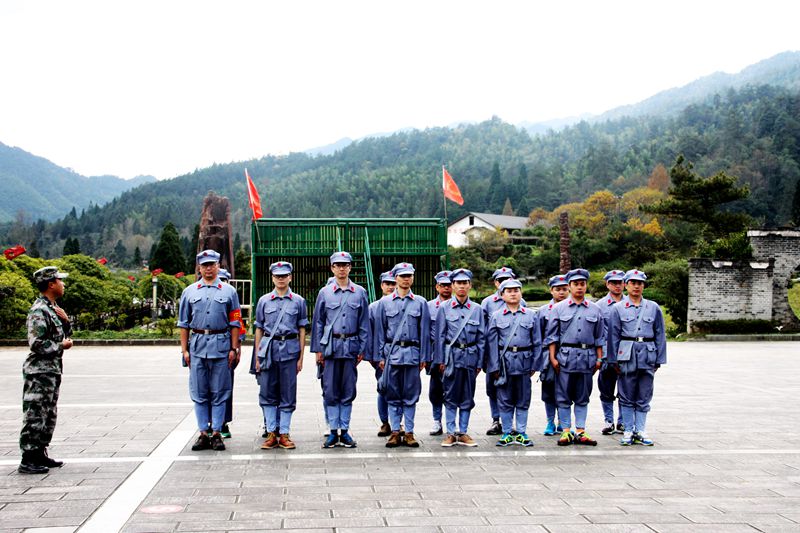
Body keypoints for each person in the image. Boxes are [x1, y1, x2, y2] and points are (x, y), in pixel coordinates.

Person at [178, 250, 241, 452]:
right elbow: (183, 323)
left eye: (212, 264)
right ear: (199, 267)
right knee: (199, 392)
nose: (208, 268)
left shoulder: (229, 292)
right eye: (204, 265)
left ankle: (217, 433)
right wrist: (184, 350)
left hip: (221, 346)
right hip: (197, 347)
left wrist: (234, 348)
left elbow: (235, 322)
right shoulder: (189, 292)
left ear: (218, 265)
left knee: (220, 392)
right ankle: (203, 432)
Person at [311, 251, 370, 449]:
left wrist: (362, 347)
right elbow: (318, 322)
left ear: (350, 267)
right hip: (331, 348)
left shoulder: (360, 292)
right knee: (330, 390)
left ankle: (344, 431)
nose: (342, 268)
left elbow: (364, 322)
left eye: (345, 265)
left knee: (348, 390)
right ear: (332, 268)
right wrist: (318, 348)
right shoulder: (324, 293)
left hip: (351, 347)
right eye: (338, 265)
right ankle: (332, 431)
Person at [18, 266, 72, 474]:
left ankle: (40, 452)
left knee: (48, 413)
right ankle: (28, 458)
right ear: (51, 284)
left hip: (51, 371)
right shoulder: (39, 310)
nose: (63, 284)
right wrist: (61, 346)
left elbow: (61, 334)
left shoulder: (53, 308)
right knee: (35, 413)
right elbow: (36, 343)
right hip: (39, 372)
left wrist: (66, 322)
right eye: (60, 280)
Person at [373, 262, 431, 448]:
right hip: (392, 354)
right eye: (402, 276)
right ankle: (395, 431)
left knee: (411, 394)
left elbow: (425, 332)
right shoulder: (384, 303)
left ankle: (410, 432)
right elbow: (380, 332)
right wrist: (380, 357)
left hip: (413, 354)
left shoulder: (421, 302)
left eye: (409, 275)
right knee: (392, 394)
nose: (406, 279)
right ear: (395, 278)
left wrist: (424, 357)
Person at [607, 269, 667, 446]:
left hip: (647, 353)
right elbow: (613, 336)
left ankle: (640, 430)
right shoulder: (617, 308)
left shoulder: (653, 307)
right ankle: (627, 430)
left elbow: (660, 334)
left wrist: (659, 359)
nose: (636, 286)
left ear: (643, 286)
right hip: (626, 354)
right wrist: (613, 360)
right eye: (633, 283)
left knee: (645, 393)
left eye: (639, 283)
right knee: (626, 393)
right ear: (626, 285)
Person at [545, 268, 604, 447]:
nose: (579, 287)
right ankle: (565, 431)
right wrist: (553, 358)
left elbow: (600, 337)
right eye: (575, 284)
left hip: (587, 357)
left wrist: (600, 359)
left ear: (586, 286)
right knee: (563, 396)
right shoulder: (558, 308)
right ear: (569, 286)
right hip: (565, 357)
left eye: (582, 284)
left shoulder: (595, 309)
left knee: (582, 395)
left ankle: (580, 430)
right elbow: (552, 336)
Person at [254, 262, 308, 450]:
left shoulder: (299, 301)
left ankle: (284, 433)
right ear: (272, 278)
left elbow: (302, 330)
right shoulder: (264, 301)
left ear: (290, 277)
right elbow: (259, 330)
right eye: (277, 276)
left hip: (290, 351)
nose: (281, 279)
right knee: (267, 393)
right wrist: (257, 357)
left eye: (284, 275)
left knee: (287, 393)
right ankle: (271, 433)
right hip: (269, 351)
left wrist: (301, 357)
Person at [486, 278, 542, 447]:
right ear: (501, 295)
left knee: (523, 399)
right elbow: (492, 344)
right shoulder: (496, 316)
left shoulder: (531, 315)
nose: (513, 294)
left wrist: (535, 364)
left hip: (524, 362)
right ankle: (507, 432)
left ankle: (522, 432)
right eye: (508, 291)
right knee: (504, 399)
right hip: (505, 363)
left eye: (516, 290)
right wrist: (494, 366)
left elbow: (537, 341)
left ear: (521, 293)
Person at [433, 268, 484, 447]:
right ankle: (450, 432)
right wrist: (440, 360)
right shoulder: (444, 308)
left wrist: (479, 362)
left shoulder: (477, 309)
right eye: (458, 283)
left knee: (467, 396)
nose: (461, 286)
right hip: (451, 357)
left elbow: (481, 338)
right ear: (453, 286)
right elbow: (439, 336)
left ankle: (463, 432)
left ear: (470, 285)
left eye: (465, 283)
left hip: (470, 357)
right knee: (450, 395)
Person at [480, 267, 526, 435]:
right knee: (493, 387)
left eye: (508, 279)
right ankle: (496, 419)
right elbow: (485, 332)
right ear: (496, 283)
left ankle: (511, 423)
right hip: (495, 354)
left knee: (514, 390)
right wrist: (486, 357)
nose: (505, 282)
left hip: (516, 357)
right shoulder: (487, 303)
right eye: (501, 280)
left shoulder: (522, 303)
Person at [538, 274, 568, 436]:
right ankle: (550, 422)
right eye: (558, 289)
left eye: (564, 289)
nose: (561, 292)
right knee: (549, 391)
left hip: (569, 356)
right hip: (547, 358)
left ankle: (563, 423)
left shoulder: (574, 309)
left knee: (566, 391)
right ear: (551, 291)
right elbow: (538, 337)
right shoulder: (543, 312)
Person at [597, 269, 626, 435]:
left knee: (625, 389)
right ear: (607, 284)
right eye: (613, 282)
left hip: (626, 354)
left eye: (620, 282)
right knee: (606, 389)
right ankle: (609, 421)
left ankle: (622, 421)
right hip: (607, 355)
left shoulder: (631, 303)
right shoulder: (599, 306)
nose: (617, 285)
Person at [369, 271, 396, 437]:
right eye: (387, 284)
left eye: (393, 283)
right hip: (382, 357)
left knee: (400, 389)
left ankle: (397, 422)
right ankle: (385, 422)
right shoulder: (374, 307)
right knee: (383, 388)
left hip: (401, 354)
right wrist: (375, 357)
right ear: (381, 286)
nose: (391, 287)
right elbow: (370, 334)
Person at [216, 268, 242, 439]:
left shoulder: (231, 299)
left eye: (224, 280)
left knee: (225, 388)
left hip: (226, 349)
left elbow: (238, 327)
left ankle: (224, 422)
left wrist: (237, 349)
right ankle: (210, 423)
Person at [427, 270, 452, 436]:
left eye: (449, 285)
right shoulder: (429, 306)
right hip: (436, 354)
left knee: (454, 390)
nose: (447, 288)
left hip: (455, 354)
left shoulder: (462, 307)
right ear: (437, 287)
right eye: (443, 285)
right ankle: (437, 421)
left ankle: (453, 423)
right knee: (436, 391)